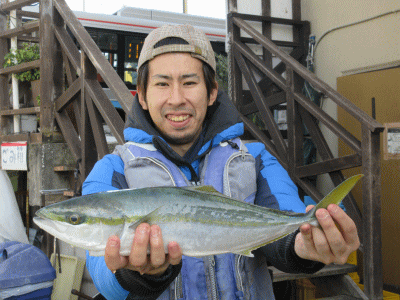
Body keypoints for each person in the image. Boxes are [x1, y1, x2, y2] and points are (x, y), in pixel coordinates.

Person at [83, 24, 360, 300]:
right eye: (162, 83)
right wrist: (134, 273)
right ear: (141, 96)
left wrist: (306, 245)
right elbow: (103, 277)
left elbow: (285, 224)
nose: (177, 99)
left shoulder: (255, 159)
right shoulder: (111, 170)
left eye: (190, 82)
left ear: (212, 92)